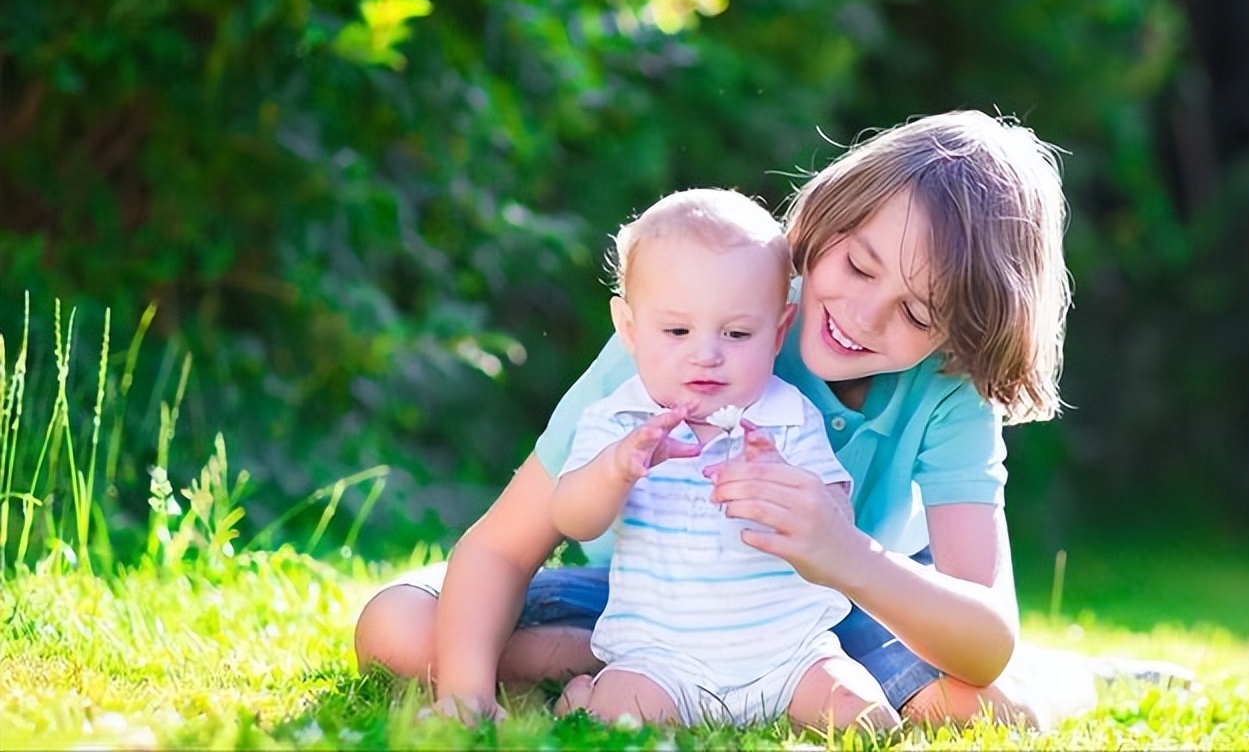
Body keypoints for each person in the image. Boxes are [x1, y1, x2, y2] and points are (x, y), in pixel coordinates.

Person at [354, 110, 1139, 730]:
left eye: (918, 312)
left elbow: (983, 633)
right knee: (399, 627)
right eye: (858, 266)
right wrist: (463, 691)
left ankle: (1077, 675)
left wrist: (845, 555)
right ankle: (607, 665)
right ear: (825, 220)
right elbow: (500, 544)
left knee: (997, 706)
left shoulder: (948, 392)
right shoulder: (704, 323)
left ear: (963, 333)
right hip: (646, 602)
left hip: (827, 618)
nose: (863, 316)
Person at [547, 188, 898, 730]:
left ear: (778, 331)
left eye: (737, 333)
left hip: (791, 655)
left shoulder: (788, 418)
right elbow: (572, 519)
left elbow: (838, 521)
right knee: (617, 718)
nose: (706, 353)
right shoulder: (620, 420)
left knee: (866, 718)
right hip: (663, 659)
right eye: (677, 331)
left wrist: (786, 486)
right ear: (630, 330)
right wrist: (616, 470)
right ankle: (583, 695)